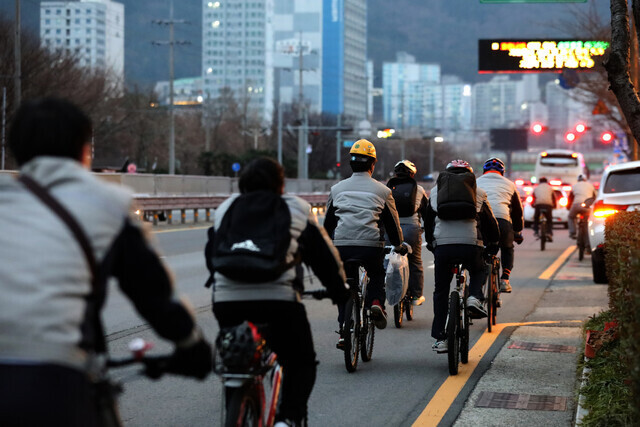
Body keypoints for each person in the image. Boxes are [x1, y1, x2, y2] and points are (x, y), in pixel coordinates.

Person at [0, 98, 212, 426]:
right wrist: (191, 346)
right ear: (85, 151)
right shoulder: (105, 204)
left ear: (17, 150)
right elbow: (153, 294)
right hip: (54, 386)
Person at [205, 157, 349, 427]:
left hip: (227, 301)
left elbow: (211, 254)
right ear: (281, 185)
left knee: (237, 358)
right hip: (279, 302)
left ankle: (236, 409)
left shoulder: (226, 207)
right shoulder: (295, 207)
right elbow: (324, 258)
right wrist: (340, 292)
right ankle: (288, 420)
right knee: (300, 362)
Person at [324, 139, 406, 339]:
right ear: (373, 163)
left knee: (345, 285)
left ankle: (344, 331)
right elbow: (392, 224)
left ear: (351, 163)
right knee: (377, 274)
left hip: (342, 246)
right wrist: (398, 244)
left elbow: (328, 224)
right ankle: (376, 303)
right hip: (370, 246)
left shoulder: (337, 189)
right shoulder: (383, 191)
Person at [425, 160, 500, 353]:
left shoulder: (434, 193)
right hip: (470, 245)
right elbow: (491, 224)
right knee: (478, 269)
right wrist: (492, 245)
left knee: (441, 291)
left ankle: (441, 337)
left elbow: (428, 224)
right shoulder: (479, 193)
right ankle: (474, 296)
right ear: (470, 176)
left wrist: (433, 245)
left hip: (443, 247)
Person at [476, 158, 524, 293]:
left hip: (482, 221)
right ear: (502, 172)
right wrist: (517, 231)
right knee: (507, 248)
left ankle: (479, 283)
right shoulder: (509, 184)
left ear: (484, 171)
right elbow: (517, 211)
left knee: (481, 250)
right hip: (503, 220)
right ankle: (505, 279)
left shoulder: (476, 182)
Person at [386, 160, 429, 306]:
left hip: (390, 229)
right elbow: (427, 214)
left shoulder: (387, 189)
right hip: (411, 229)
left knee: (387, 260)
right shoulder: (419, 190)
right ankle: (416, 295)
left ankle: (383, 290)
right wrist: (426, 230)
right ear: (412, 174)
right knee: (415, 261)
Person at [568, 174, 597, 239]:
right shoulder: (590, 186)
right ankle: (589, 236)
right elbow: (594, 197)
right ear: (585, 179)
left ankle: (573, 232)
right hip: (587, 206)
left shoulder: (574, 186)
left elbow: (570, 198)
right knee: (589, 220)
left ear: (578, 180)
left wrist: (568, 207)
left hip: (576, 205)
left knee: (571, 217)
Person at [532, 177, 557, 242]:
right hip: (548, 205)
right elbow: (554, 198)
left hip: (538, 205)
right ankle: (549, 233)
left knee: (536, 218)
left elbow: (533, 198)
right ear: (546, 182)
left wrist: (533, 205)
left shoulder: (536, 188)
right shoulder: (550, 188)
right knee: (549, 219)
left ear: (539, 182)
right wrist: (554, 206)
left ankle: (536, 231)